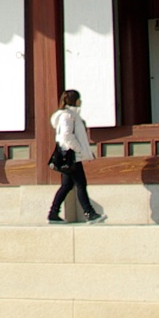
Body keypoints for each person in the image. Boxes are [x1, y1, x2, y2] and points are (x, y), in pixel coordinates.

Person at [47, 88, 105, 224]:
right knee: (80, 184)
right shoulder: (67, 116)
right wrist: (79, 150)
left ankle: (53, 213)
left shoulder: (70, 115)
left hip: (70, 154)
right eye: (79, 98)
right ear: (75, 100)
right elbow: (67, 136)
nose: (81, 101)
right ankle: (89, 213)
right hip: (71, 155)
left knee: (67, 185)